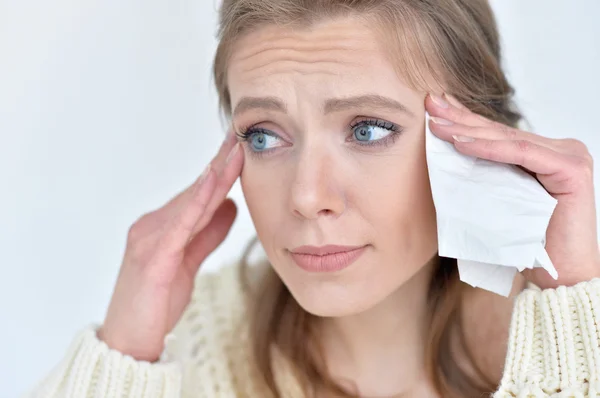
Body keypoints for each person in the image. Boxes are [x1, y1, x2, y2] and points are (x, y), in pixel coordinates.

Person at [24, 0, 600, 397]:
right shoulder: (189, 350)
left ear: (481, 138)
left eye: (368, 129)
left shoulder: (580, 336)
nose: (306, 197)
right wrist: (123, 356)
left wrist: (573, 321)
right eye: (265, 136)